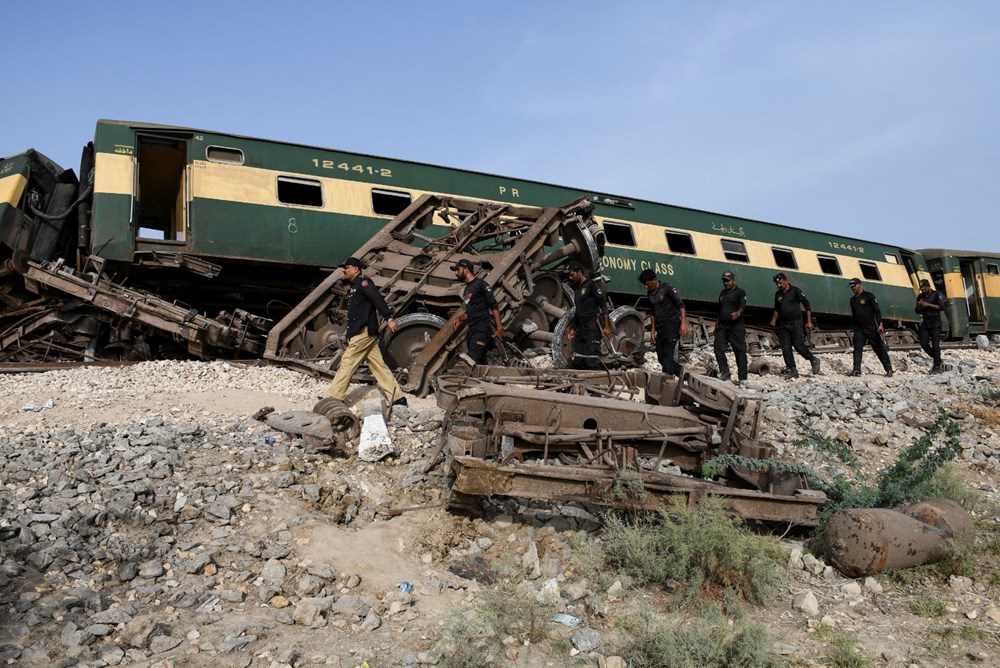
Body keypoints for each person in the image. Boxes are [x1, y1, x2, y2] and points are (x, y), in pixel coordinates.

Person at [327, 257, 407, 406]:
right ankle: (398, 398)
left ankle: (334, 397)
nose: (344, 270)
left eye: (347, 267)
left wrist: (389, 317)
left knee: (348, 361)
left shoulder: (364, 282)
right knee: (378, 366)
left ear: (356, 269)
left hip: (363, 331)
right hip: (361, 331)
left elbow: (377, 299)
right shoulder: (355, 285)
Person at [449, 258, 504, 364]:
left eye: (458, 270)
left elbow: (494, 306)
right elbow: (470, 312)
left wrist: (499, 327)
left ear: (466, 270)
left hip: (481, 330)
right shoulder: (466, 290)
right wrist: (459, 318)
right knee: (480, 364)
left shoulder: (481, 285)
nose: (456, 273)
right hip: (473, 331)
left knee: (470, 362)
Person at [769, 272, 821, 378]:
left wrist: (809, 321)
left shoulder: (796, 291)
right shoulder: (778, 294)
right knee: (785, 347)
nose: (779, 285)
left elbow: (807, 305)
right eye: (777, 284)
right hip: (783, 324)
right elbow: (777, 309)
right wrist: (773, 320)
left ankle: (813, 359)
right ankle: (793, 370)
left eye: (780, 283)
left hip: (796, 322)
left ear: (786, 280)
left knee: (798, 345)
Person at [638, 268, 689, 376]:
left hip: (672, 325)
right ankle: (684, 374)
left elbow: (681, 305)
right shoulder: (650, 294)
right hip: (661, 328)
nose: (646, 287)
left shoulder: (668, 288)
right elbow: (652, 312)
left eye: (647, 284)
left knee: (667, 357)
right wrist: (652, 331)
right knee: (661, 357)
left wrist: (683, 324)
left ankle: (667, 382)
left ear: (655, 280)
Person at [566, 260, 612, 370]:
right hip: (580, 327)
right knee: (578, 359)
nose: (570, 278)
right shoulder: (577, 289)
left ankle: (598, 381)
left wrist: (607, 326)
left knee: (590, 360)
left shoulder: (592, 285)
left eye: (572, 275)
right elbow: (578, 310)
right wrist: (573, 328)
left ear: (579, 272)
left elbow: (603, 306)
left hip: (591, 326)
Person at [847, 277, 893, 377]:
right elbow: (854, 315)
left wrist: (880, 324)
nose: (852, 288)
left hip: (871, 327)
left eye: (854, 286)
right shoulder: (853, 300)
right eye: (851, 287)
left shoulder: (869, 296)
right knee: (857, 348)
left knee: (879, 348)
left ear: (859, 284)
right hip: (859, 328)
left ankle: (889, 369)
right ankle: (856, 369)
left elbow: (877, 311)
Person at [714, 271, 748, 383]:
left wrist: (738, 312)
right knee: (718, 348)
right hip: (723, 327)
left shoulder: (740, 292)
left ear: (733, 280)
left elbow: (742, 305)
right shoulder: (722, 293)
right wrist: (716, 325)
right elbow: (719, 310)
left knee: (739, 351)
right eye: (724, 280)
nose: (726, 283)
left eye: (728, 280)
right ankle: (725, 372)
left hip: (736, 327)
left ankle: (742, 378)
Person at [916, 278, 945, 373]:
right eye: (921, 288)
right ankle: (937, 358)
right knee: (923, 343)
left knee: (935, 345)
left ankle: (937, 365)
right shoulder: (920, 296)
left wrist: (927, 304)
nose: (923, 290)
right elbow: (916, 310)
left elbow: (941, 307)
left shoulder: (937, 294)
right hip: (925, 322)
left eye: (924, 288)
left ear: (929, 286)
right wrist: (920, 306)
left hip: (935, 322)